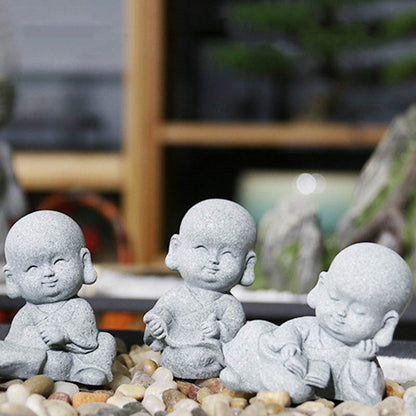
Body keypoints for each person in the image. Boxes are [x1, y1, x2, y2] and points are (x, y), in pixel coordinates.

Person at [220, 242, 413, 405]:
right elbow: (289, 331)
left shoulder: (358, 355)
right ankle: (244, 373)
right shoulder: (309, 326)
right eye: (335, 298)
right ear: (322, 286)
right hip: (280, 361)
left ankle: (243, 377)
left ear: (385, 324)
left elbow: (367, 399)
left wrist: (360, 362)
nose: (341, 313)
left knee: (299, 390)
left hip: (293, 381)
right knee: (257, 328)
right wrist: (289, 347)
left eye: (359, 311)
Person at [144, 199, 257, 378]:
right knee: (176, 356)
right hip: (177, 346)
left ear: (247, 264)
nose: (214, 260)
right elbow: (162, 312)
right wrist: (158, 324)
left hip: (211, 351)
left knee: (205, 358)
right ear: (176, 249)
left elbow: (234, 328)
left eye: (227, 253)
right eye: (201, 248)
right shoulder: (176, 295)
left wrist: (219, 328)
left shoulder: (228, 303)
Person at [0, 210, 116, 385]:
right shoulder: (26, 313)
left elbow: (89, 339)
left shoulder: (78, 307)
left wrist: (64, 335)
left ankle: (91, 372)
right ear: (13, 278)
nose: (48, 273)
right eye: (32, 268)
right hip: (43, 360)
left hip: (76, 362)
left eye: (58, 261)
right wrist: (33, 338)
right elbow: (15, 342)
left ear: (84, 262)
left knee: (106, 341)